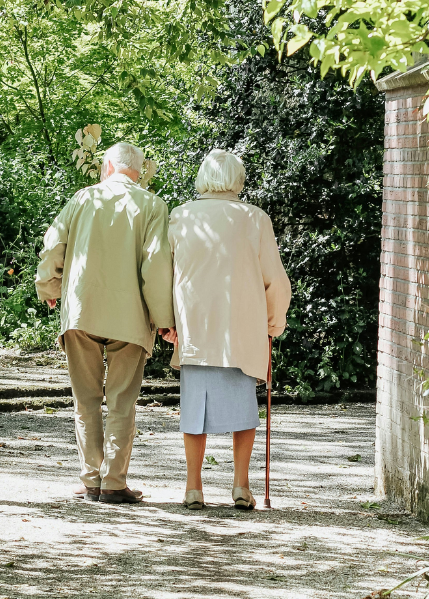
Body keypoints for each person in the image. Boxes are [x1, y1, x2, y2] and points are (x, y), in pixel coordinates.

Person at [35, 142, 174, 504]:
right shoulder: (153, 205)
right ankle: (113, 483)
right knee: (121, 402)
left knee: (85, 400)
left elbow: (53, 246)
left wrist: (49, 286)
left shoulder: (82, 199)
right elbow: (156, 265)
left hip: (82, 311)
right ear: (138, 171)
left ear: (108, 166)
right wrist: (164, 319)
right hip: (130, 316)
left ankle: (90, 481)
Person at [163, 149, 291, 511]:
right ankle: (240, 485)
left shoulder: (181, 216)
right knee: (243, 410)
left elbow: (165, 274)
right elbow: (276, 281)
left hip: (196, 327)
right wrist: (273, 321)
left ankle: (193, 487)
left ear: (203, 177)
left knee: (193, 411)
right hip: (241, 329)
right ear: (238, 179)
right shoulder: (254, 219)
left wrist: (167, 321)